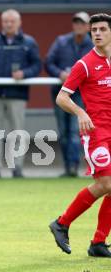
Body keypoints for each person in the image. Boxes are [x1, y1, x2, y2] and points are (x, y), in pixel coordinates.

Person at [49, 13, 111, 258]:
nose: (96, 33)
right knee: (106, 183)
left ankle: (98, 243)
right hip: (96, 132)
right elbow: (61, 97)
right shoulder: (84, 64)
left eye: (102, 29)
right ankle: (62, 223)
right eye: (93, 30)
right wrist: (81, 112)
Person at [0, 9, 41, 178]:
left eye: (12, 21)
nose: (9, 24)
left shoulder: (29, 42)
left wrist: (24, 74)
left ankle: (17, 167)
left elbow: (36, 65)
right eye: (6, 21)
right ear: (1, 22)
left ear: (19, 23)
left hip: (17, 94)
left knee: (17, 132)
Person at [45, 12, 93, 177]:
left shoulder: (94, 44)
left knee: (74, 130)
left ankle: (73, 165)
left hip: (82, 93)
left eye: (82, 23)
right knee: (63, 131)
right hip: (61, 93)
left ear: (88, 27)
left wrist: (75, 77)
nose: (79, 26)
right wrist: (59, 74)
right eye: (76, 23)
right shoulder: (61, 41)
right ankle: (67, 166)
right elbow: (48, 62)